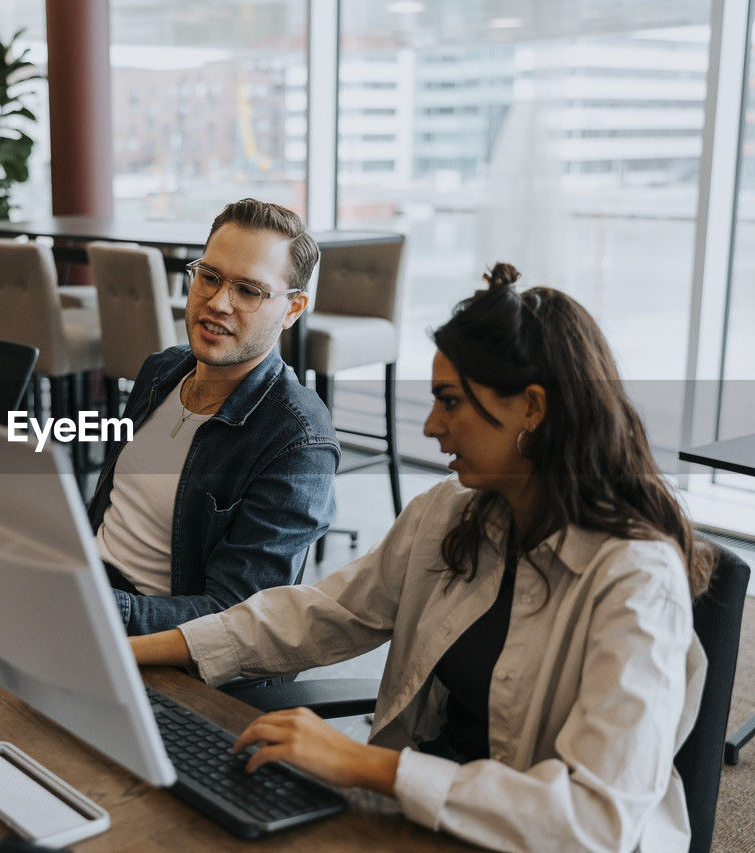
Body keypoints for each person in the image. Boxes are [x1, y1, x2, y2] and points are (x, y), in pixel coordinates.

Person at [131, 264, 713, 851]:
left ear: (532, 409)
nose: (432, 427)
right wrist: (132, 653)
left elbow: (593, 821)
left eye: (452, 402)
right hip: (422, 817)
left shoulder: (637, 579)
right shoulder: (452, 512)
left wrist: (364, 766)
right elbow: (320, 613)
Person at [89, 199, 339, 636]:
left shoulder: (299, 441)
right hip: (87, 591)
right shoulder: (161, 371)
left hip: (155, 638)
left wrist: (101, 609)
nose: (218, 303)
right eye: (209, 277)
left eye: (248, 290)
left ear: (293, 309)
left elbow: (235, 620)